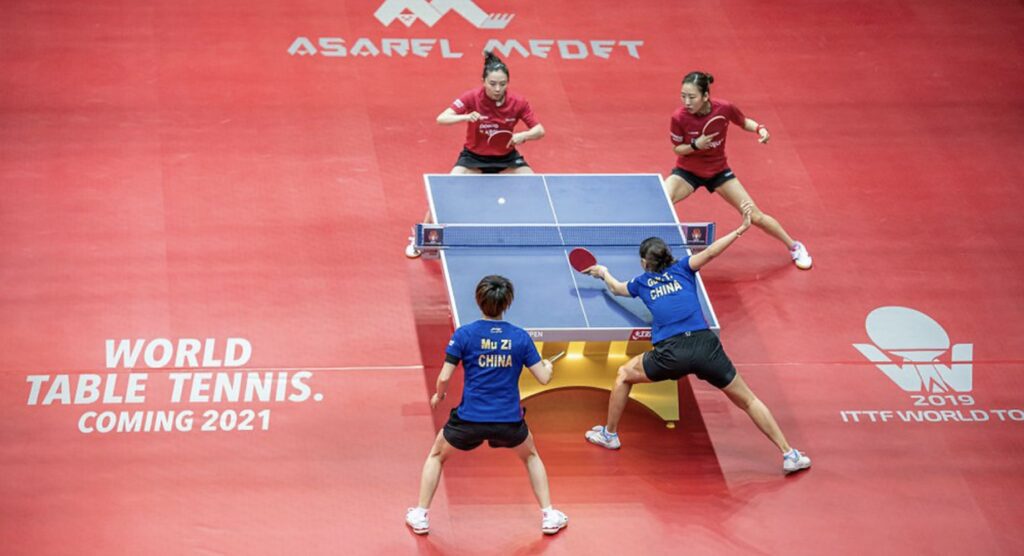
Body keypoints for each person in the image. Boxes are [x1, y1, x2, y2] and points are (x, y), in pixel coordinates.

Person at [581, 202, 812, 475]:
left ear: (644, 263)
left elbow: (617, 289)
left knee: (623, 375)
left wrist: (603, 272)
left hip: (672, 352)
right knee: (748, 400)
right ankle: (789, 453)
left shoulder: (641, 282)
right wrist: (739, 229)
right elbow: (712, 251)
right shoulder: (684, 267)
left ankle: (610, 435)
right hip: (706, 347)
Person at [406, 275, 568, 535]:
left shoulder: (464, 335)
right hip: (509, 421)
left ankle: (421, 515)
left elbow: (445, 376)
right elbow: (543, 378)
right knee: (531, 456)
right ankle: (549, 515)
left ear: (479, 300)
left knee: (436, 455)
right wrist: (548, 366)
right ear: (507, 303)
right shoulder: (520, 338)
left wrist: (439, 396)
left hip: (469, 419)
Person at [664, 71, 812, 270]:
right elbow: (677, 148)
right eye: (683, 96)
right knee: (662, 200)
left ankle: (795, 246)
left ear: (706, 96)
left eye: (692, 97)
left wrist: (760, 129)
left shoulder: (724, 108)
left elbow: (743, 122)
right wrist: (695, 145)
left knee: (755, 215)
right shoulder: (679, 117)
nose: (686, 102)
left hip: (718, 171)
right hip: (687, 171)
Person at [405, 51, 546, 258]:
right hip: (474, 158)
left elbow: (540, 130)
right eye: (492, 83)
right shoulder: (472, 97)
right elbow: (441, 118)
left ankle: (533, 234)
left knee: (535, 186)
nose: (498, 89)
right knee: (445, 191)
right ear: (483, 81)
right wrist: (465, 117)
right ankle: (422, 239)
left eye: (503, 84)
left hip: (506, 158)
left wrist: (523, 136)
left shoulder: (518, 102)